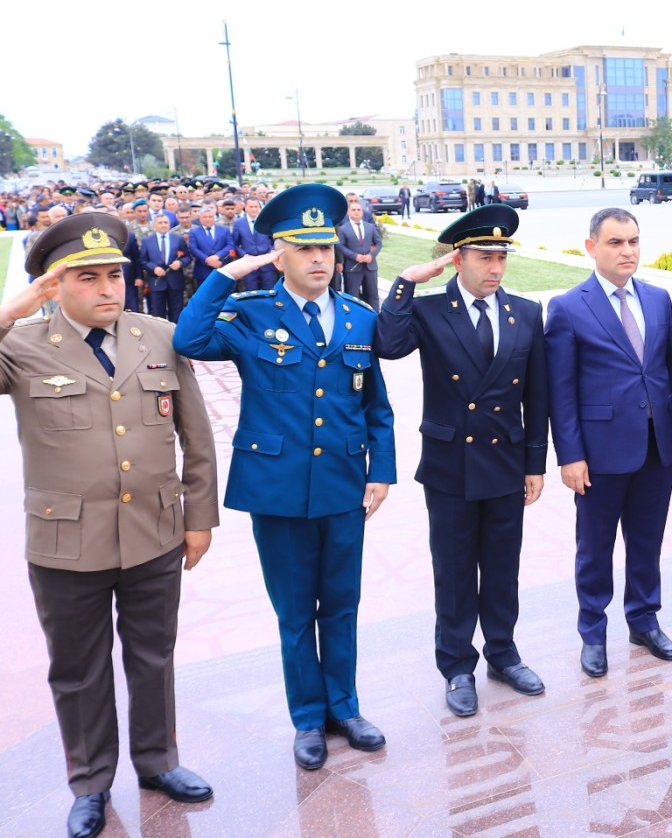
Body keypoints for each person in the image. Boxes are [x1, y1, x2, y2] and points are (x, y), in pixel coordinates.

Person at [0, 213, 219, 838]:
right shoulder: (21, 345)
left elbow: (196, 438)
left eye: (115, 277)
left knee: (153, 656)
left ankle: (158, 762)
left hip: (155, 529)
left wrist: (199, 517)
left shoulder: (160, 336)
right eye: (87, 278)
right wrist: (11, 312)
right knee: (78, 668)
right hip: (66, 540)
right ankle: (91, 782)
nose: (107, 289)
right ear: (53, 286)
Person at [173, 183, 395, 772]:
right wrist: (228, 275)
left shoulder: (358, 316)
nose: (320, 259)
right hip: (277, 487)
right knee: (296, 611)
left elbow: (376, 404)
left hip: (346, 484)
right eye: (303, 248)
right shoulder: (249, 315)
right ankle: (307, 717)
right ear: (280, 253)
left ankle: (344, 707)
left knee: (341, 605)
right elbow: (187, 339)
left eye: (326, 247)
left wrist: (383, 471)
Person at [374, 204, 549, 716]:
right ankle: (456, 666)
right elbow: (387, 344)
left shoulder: (525, 312)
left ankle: (503, 653)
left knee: (502, 566)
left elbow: (536, 396)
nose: (495, 268)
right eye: (484, 257)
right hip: (451, 465)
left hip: (506, 460)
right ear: (458, 259)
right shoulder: (429, 311)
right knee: (453, 571)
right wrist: (407, 281)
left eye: (501, 258)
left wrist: (535, 462)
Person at [544, 208, 672, 678]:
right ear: (592, 247)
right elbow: (561, 391)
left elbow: (671, 372)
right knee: (595, 548)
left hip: (655, 445)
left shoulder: (656, 298)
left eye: (633, 241)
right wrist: (570, 455)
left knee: (646, 543)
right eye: (615, 243)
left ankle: (644, 620)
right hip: (599, 452)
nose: (627, 250)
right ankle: (592, 632)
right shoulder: (568, 307)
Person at [140, 213, 189, 322]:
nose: (163, 225)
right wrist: (154, 268)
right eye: (160, 223)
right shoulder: (147, 241)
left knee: (176, 311)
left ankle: (175, 334)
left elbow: (187, 257)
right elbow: (143, 260)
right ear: (154, 225)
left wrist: (180, 263)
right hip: (157, 282)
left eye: (166, 222)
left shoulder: (178, 239)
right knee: (158, 313)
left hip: (175, 281)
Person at [336, 202, 382, 309]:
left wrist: (372, 255)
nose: (356, 212)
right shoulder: (343, 229)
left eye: (358, 210)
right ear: (348, 212)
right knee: (352, 297)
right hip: (353, 268)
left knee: (373, 296)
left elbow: (378, 243)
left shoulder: (370, 227)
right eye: (353, 210)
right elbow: (340, 246)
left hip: (370, 267)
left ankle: (375, 319)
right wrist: (355, 256)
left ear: (362, 212)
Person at [231, 197, 277, 291]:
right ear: (246, 208)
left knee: (269, 290)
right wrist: (244, 255)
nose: (253, 209)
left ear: (260, 208)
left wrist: (271, 251)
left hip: (266, 262)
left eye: (256, 206)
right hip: (248, 262)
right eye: (251, 206)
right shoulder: (238, 223)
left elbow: (274, 240)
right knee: (251, 291)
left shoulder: (266, 221)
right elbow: (235, 243)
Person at [186, 205, 237, 287]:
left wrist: (217, 256)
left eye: (210, 216)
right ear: (200, 219)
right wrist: (207, 260)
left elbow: (230, 245)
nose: (208, 219)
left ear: (214, 218)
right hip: (203, 269)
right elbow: (193, 249)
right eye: (205, 217)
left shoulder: (224, 230)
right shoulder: (194, 232)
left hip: (222, 266)